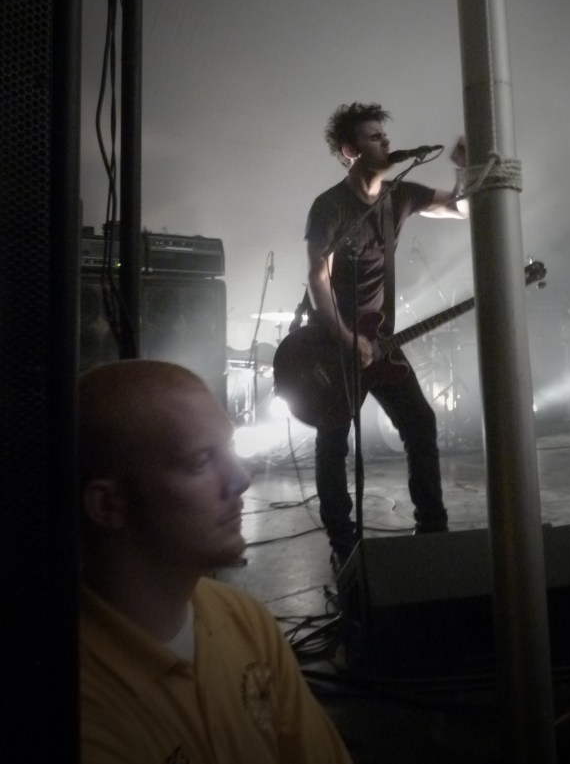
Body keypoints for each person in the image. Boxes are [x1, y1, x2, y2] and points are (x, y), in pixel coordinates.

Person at [78, 358, 353, 764]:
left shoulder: (245, 620)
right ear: (108, 504)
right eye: (200, 462)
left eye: (229, 449)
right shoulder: (83, 711)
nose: (241, 478)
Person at [304, 102, 467, 572]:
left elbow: (462, 209)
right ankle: (344, 544)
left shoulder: (401, 195)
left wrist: (464, 171)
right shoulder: (330, 207)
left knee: (420, 425)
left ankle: (433, 530)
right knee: (333, 442)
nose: (387, 143)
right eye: (374, 137)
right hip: (333, 343)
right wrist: (345, 336)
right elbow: (317, 279)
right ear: (351, 151)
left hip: (379, 342)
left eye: (385, 135)